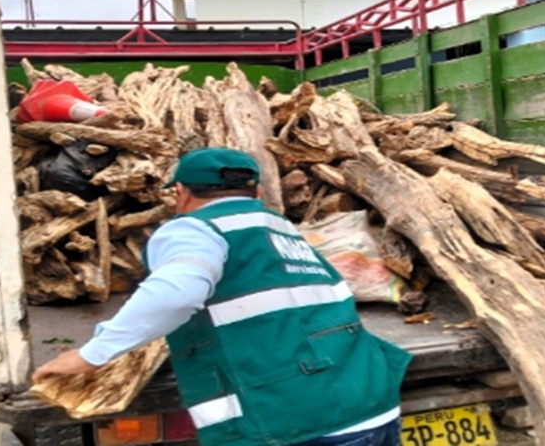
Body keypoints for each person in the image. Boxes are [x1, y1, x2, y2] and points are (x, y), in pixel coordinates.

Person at [33, 148, 412, 446]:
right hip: (368, 399)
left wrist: (91, 354)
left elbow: (176, 295)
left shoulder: (194, 229)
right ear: (258, 192)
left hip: (296, 419)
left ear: (180, 194)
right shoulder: (280, 229)